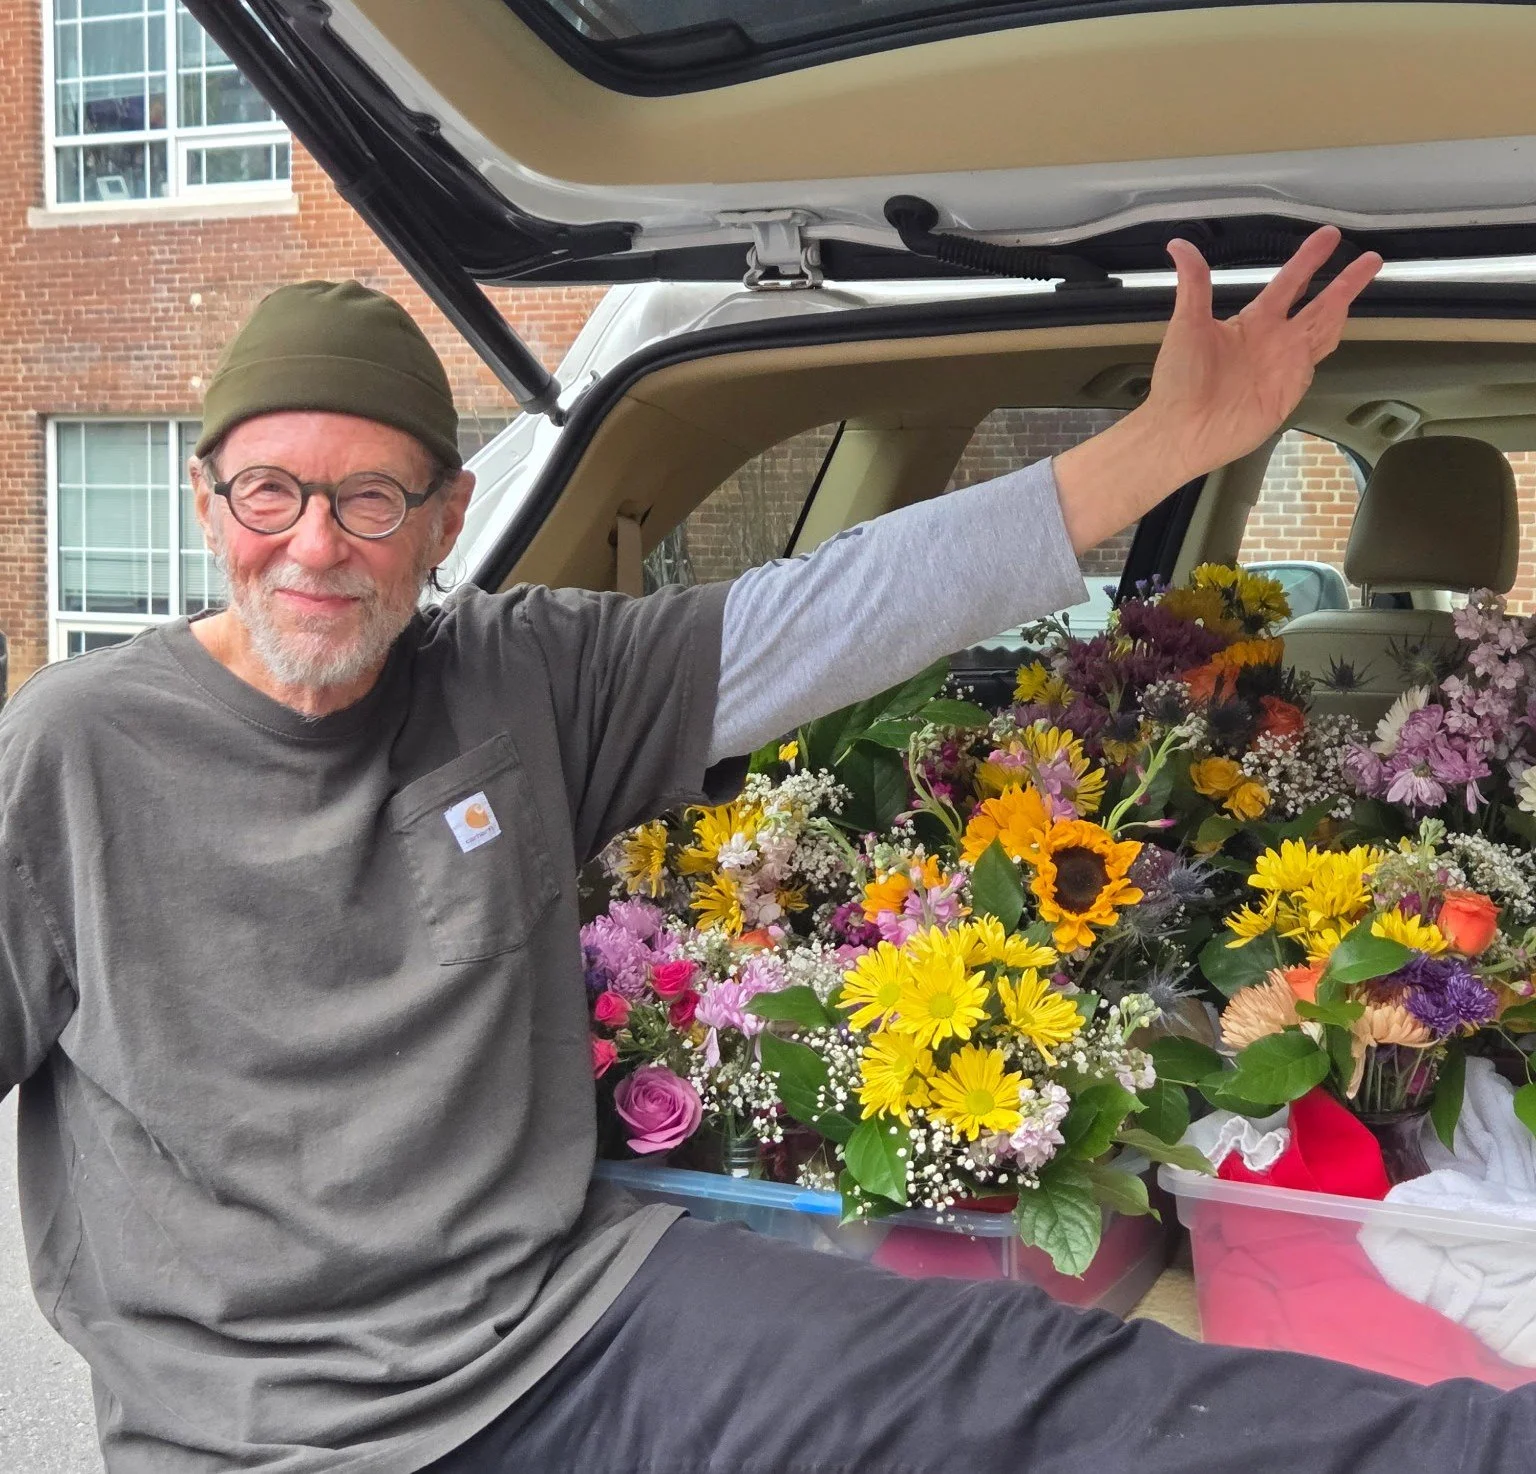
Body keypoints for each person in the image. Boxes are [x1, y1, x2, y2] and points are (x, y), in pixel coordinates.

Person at [2, 228, 1527, 1474]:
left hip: (571, 1327)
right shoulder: (71, 748)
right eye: (271, 490)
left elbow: (843, 605)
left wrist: (1162, 447)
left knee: (1026, 1380)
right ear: (208, 500)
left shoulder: (522, 678)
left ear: (447, 514)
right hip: (258, 1427)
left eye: (371, 496)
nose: (317, 542)